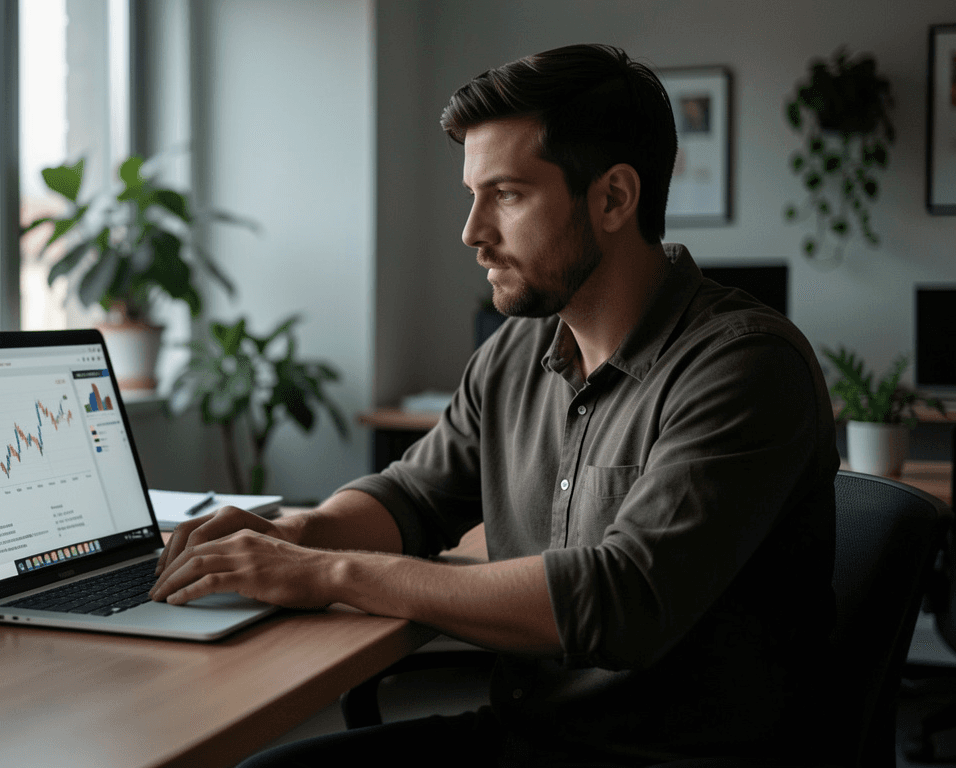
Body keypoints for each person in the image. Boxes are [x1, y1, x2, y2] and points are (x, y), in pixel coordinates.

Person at [150, 43, 838, 767]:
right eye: (472, 195)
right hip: (532, 738)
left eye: (506, 194)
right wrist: (296, 535)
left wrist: (330, 573)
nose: (472, 232)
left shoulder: (744, 366)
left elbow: (622, 600)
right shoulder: (514, 354)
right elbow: (412, 497)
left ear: (613, 198)